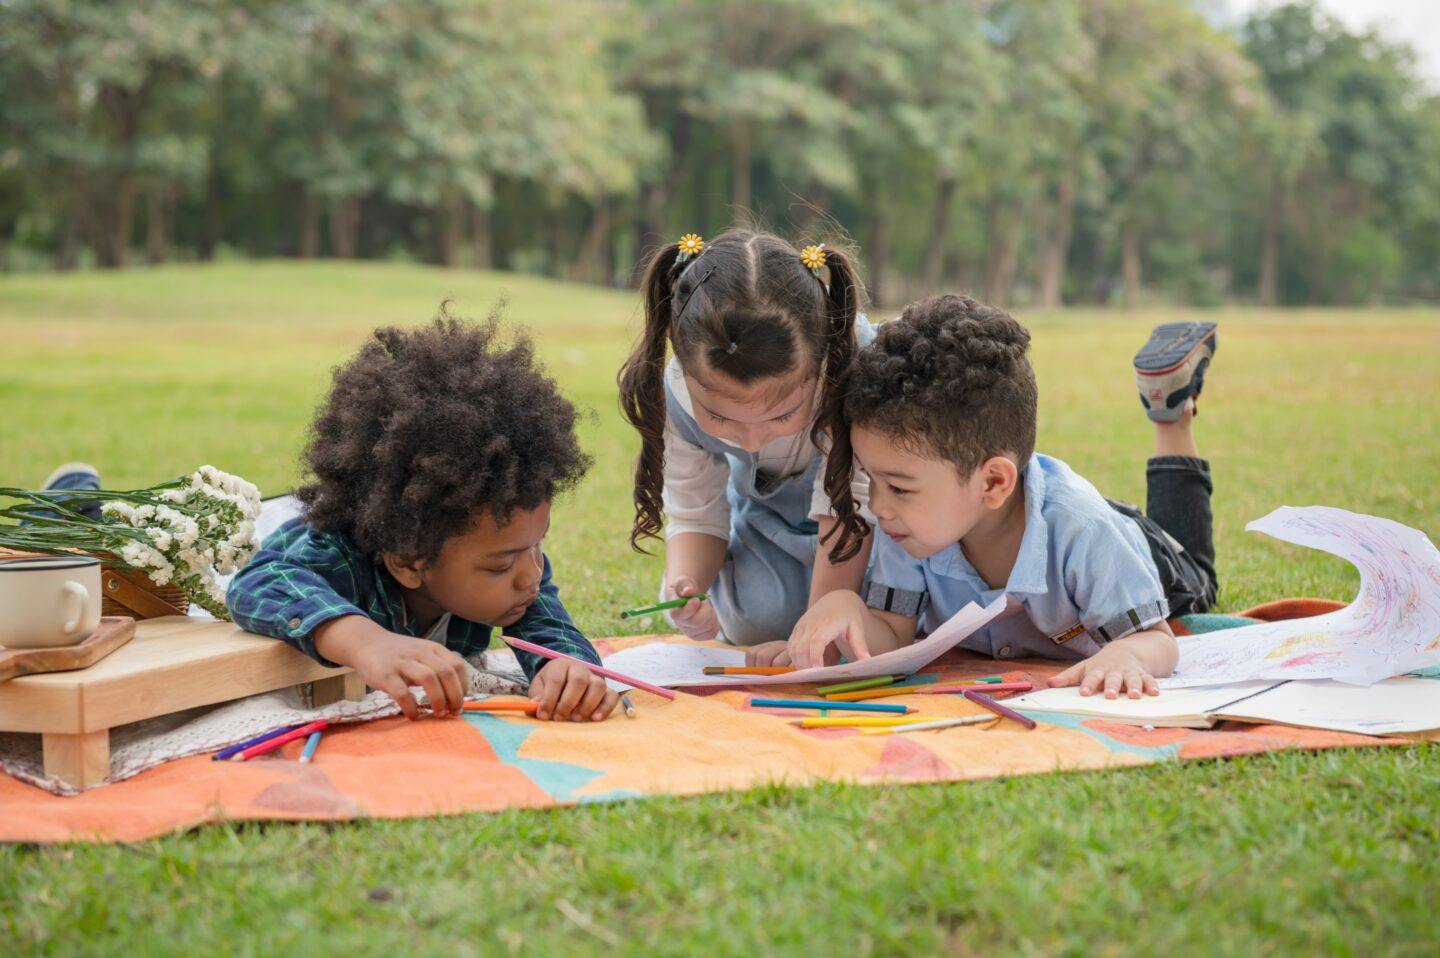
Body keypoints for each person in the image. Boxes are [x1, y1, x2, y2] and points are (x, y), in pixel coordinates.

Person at [753, 295, 1219, 699]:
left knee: (1197, 570)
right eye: (869, 479)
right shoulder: (907, 529)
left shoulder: (1086, 533)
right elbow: (892, 637)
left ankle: (1170, 414)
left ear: (992, 483)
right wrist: (842, 614)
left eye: (897, 486)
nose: (877, 505)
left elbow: (1158, 641)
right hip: (1036, 505)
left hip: (1148, 557)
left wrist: (1123, 655)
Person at [226, 312, 618, 721]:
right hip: (242, 544)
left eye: (538, 547)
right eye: (503, 564)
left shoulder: (514, 572)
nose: (532, 575)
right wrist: (366, 642)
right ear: (408, 560)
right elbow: (258, 579)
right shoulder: (335, 553)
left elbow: (547, 627)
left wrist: (566, 666)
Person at [617, 228, 875, 646]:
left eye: (782, 415)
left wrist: (817, 637)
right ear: (676, 348)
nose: (752, 442)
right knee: (756, 624)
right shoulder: (678, 392)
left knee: (884, 613)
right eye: (720, 416)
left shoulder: (852, 369)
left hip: (871, 525)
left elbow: (850, 514)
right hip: (773, 527)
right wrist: (686, 587)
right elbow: (696, 513)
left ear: (823, 351)